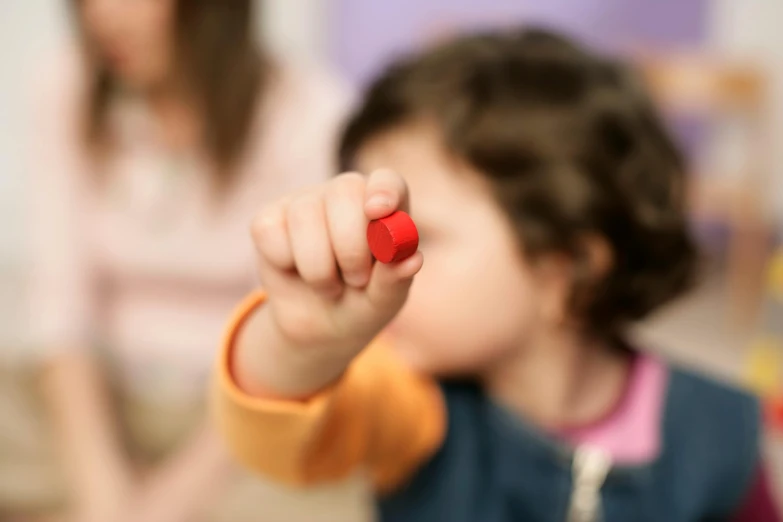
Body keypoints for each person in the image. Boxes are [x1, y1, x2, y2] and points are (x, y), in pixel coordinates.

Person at [212, 28, 781, 521]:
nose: (372, 263)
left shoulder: (719, 429)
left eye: (420, 234)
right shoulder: (412, 404)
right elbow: (275, 442)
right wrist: (301, 342)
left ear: (566, 270)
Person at [26, 1, 358, 521]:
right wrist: (101, 485)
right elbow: (60, 311)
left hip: (246, 410)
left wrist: (163, 505)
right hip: (109, 393)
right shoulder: (67, 87)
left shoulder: (308, 113)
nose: (104, 17)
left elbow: (292, 342)